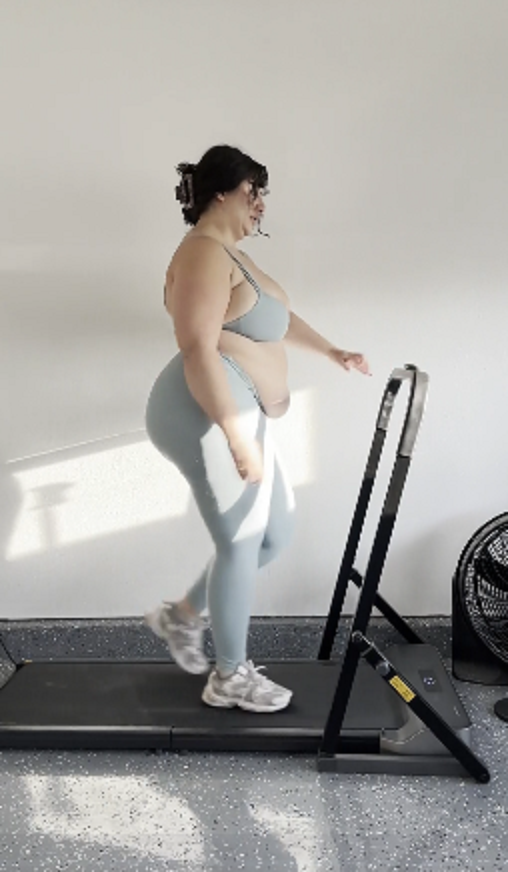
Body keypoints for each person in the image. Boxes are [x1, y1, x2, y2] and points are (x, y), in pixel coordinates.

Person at [145, 144, 369, 714]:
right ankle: (230, 676)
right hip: (204, 409)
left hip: (239, 409)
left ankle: (181, 616)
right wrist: (234, 435)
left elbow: (278, 320)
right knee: (242, 538)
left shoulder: (232, 255)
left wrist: (332, 351)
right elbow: (197, 349)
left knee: (272, 535)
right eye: (253, 192)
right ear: (222, 191)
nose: (260, 204)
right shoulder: (201, 253)